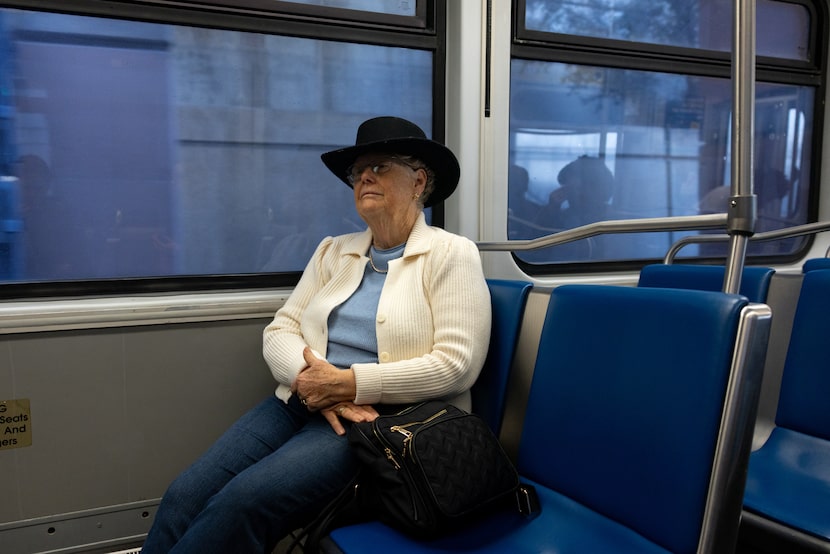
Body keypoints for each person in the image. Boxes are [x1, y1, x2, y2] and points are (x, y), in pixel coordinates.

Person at [141, 116, 492, 554]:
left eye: (379, 167)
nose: (363, 178)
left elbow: (456, 366)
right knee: (185, 494)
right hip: (301, 398)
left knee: (244, 503)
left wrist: (349, 385)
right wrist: (316, 386)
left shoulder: (451, 254)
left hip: (380, 422)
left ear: (418, 181)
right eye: (357, 171)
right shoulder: (333, 250)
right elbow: (281, 329)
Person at [538, 155, 614, 230]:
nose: (567, 194)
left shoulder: (614, 222)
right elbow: (542, 233)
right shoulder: (564, 217)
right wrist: (552, 209)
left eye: (575, 189)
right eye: (566, 188)